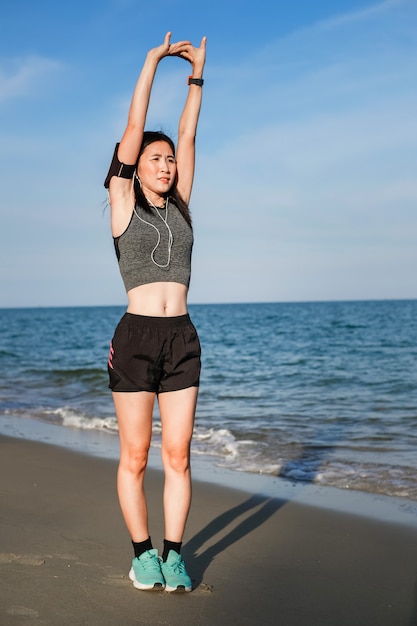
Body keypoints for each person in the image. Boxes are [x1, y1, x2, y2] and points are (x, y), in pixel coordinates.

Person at [104, 32, 206, 593]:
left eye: (169, 159)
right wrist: (151, 63)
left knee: (179, 456)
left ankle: (173, 555)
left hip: (182, 337)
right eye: (155, 158)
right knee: (137, 456)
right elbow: (134, 127)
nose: (166, 164)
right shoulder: (123, 206)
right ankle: (141, 553)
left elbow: (189, 133)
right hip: (136, 337)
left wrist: (196, 77)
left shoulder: (183, 206)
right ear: (136, 167)